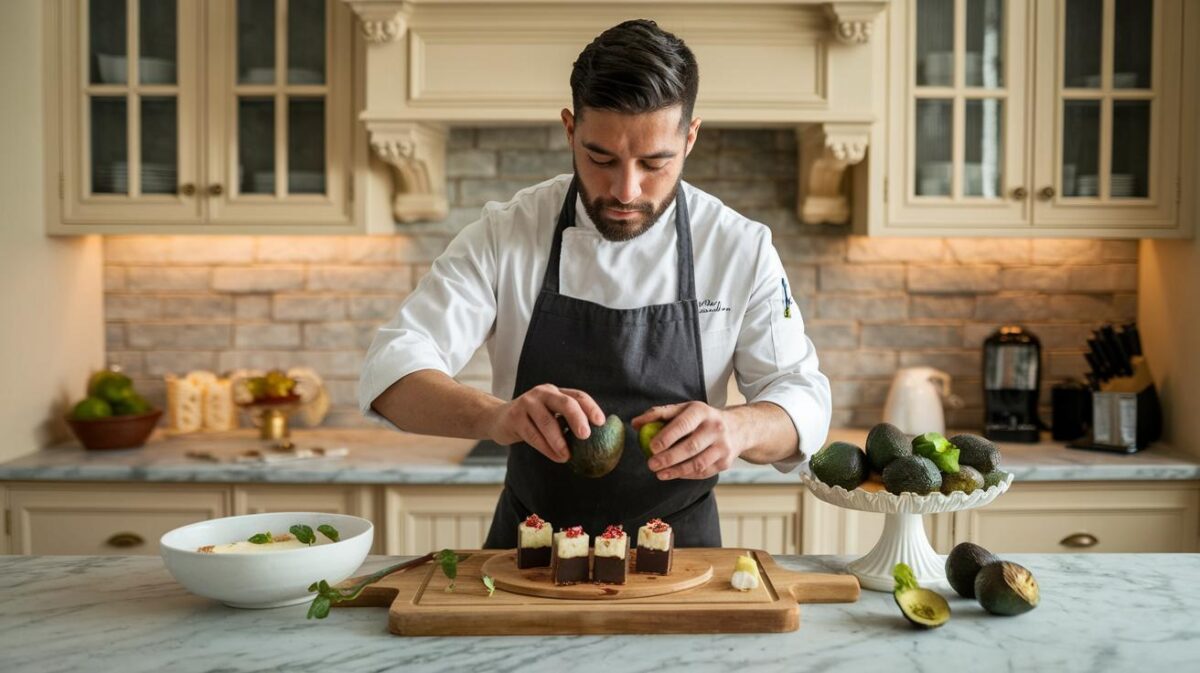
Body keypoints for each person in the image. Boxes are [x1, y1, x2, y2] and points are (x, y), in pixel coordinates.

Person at [358, 19, 831, 548]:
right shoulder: (506, 232)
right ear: (569, 130)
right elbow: (392, 372)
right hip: (530, 549)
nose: (625, 189)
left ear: (690, 137)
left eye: (655, 163)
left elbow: (801, 398)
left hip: (682, 555)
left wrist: (741, 427)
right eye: (600, 158)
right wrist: (499, 417)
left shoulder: (740, 247)